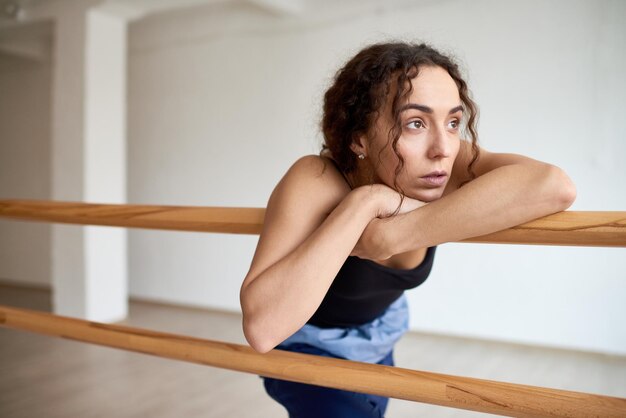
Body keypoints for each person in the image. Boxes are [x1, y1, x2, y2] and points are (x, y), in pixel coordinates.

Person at [239, 42, 576, 417]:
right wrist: (363, 202)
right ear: (359, 139)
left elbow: (555, 186)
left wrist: (393, 232)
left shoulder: (447, 161)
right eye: (415, 123)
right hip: (307, 347)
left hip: (380, 339)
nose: (442, 148)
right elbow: (263, 329)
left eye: (452, 122)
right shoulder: (316, 178)